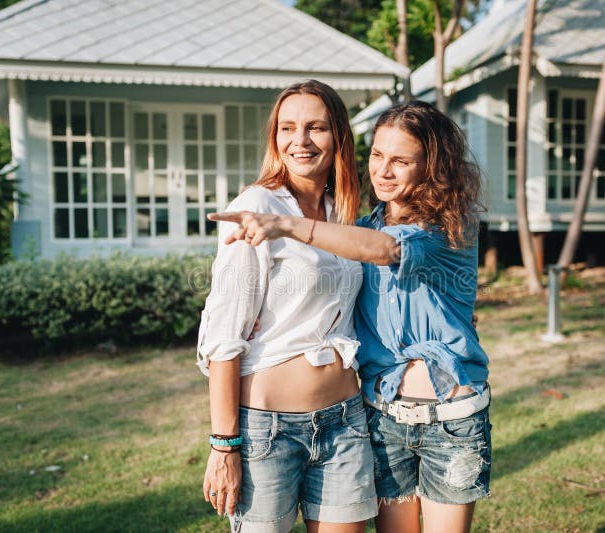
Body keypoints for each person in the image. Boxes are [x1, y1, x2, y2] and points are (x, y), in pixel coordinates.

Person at [210, 100, 491, 533]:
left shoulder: (448, 227)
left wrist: (285, 225)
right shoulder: (355, 222)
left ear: (431, 167)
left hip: (448, 421)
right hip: (382, 415)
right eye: (378, 155)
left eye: (401, 160)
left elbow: (385, 250)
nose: (383, 170)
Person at [196, 80, 377, 533]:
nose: (300, 141)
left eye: (316, 127)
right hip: (268, 431)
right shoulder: (257, 206)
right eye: (287, 128)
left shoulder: (343, 211)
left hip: (345, 423)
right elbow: (224, 336)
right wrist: (224, 445)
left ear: (338, 137)